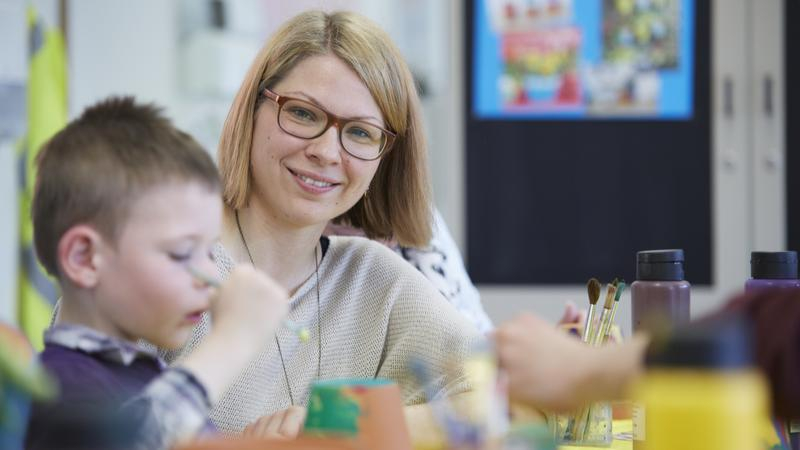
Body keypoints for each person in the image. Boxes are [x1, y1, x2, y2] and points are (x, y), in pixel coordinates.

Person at [161, 10, 482, 437]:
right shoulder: (167, 260)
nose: (327, 152)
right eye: (303, 114)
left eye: (361, 133)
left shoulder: (375, 279)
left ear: (384, 161)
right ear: (252, 110)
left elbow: (502, 400)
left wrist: (345, 424)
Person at [25, 97, 289, 450]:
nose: (211, 275)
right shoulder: (56, 386)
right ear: (85, 258)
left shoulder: (151, 380)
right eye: (181, 253)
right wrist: (233, 340)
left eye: (210, 251)